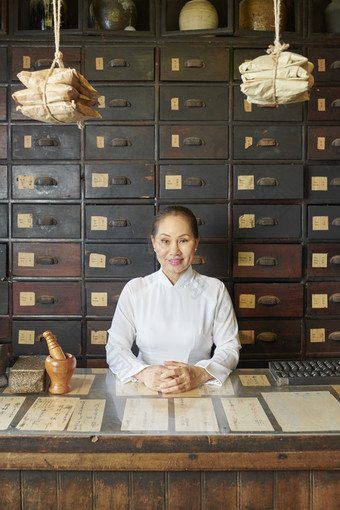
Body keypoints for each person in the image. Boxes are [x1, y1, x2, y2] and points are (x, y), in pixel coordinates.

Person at [106, 205, 240, 394]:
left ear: (196, 242)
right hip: (146, 389)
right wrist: (144, 373)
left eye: (183, 240)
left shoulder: (214, 290)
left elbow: (229, 347)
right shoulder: (136, 289)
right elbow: (115, 347)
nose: (174, 250)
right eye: (165, 241)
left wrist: (199, 373)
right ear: (153, 243)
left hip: (199, 389)